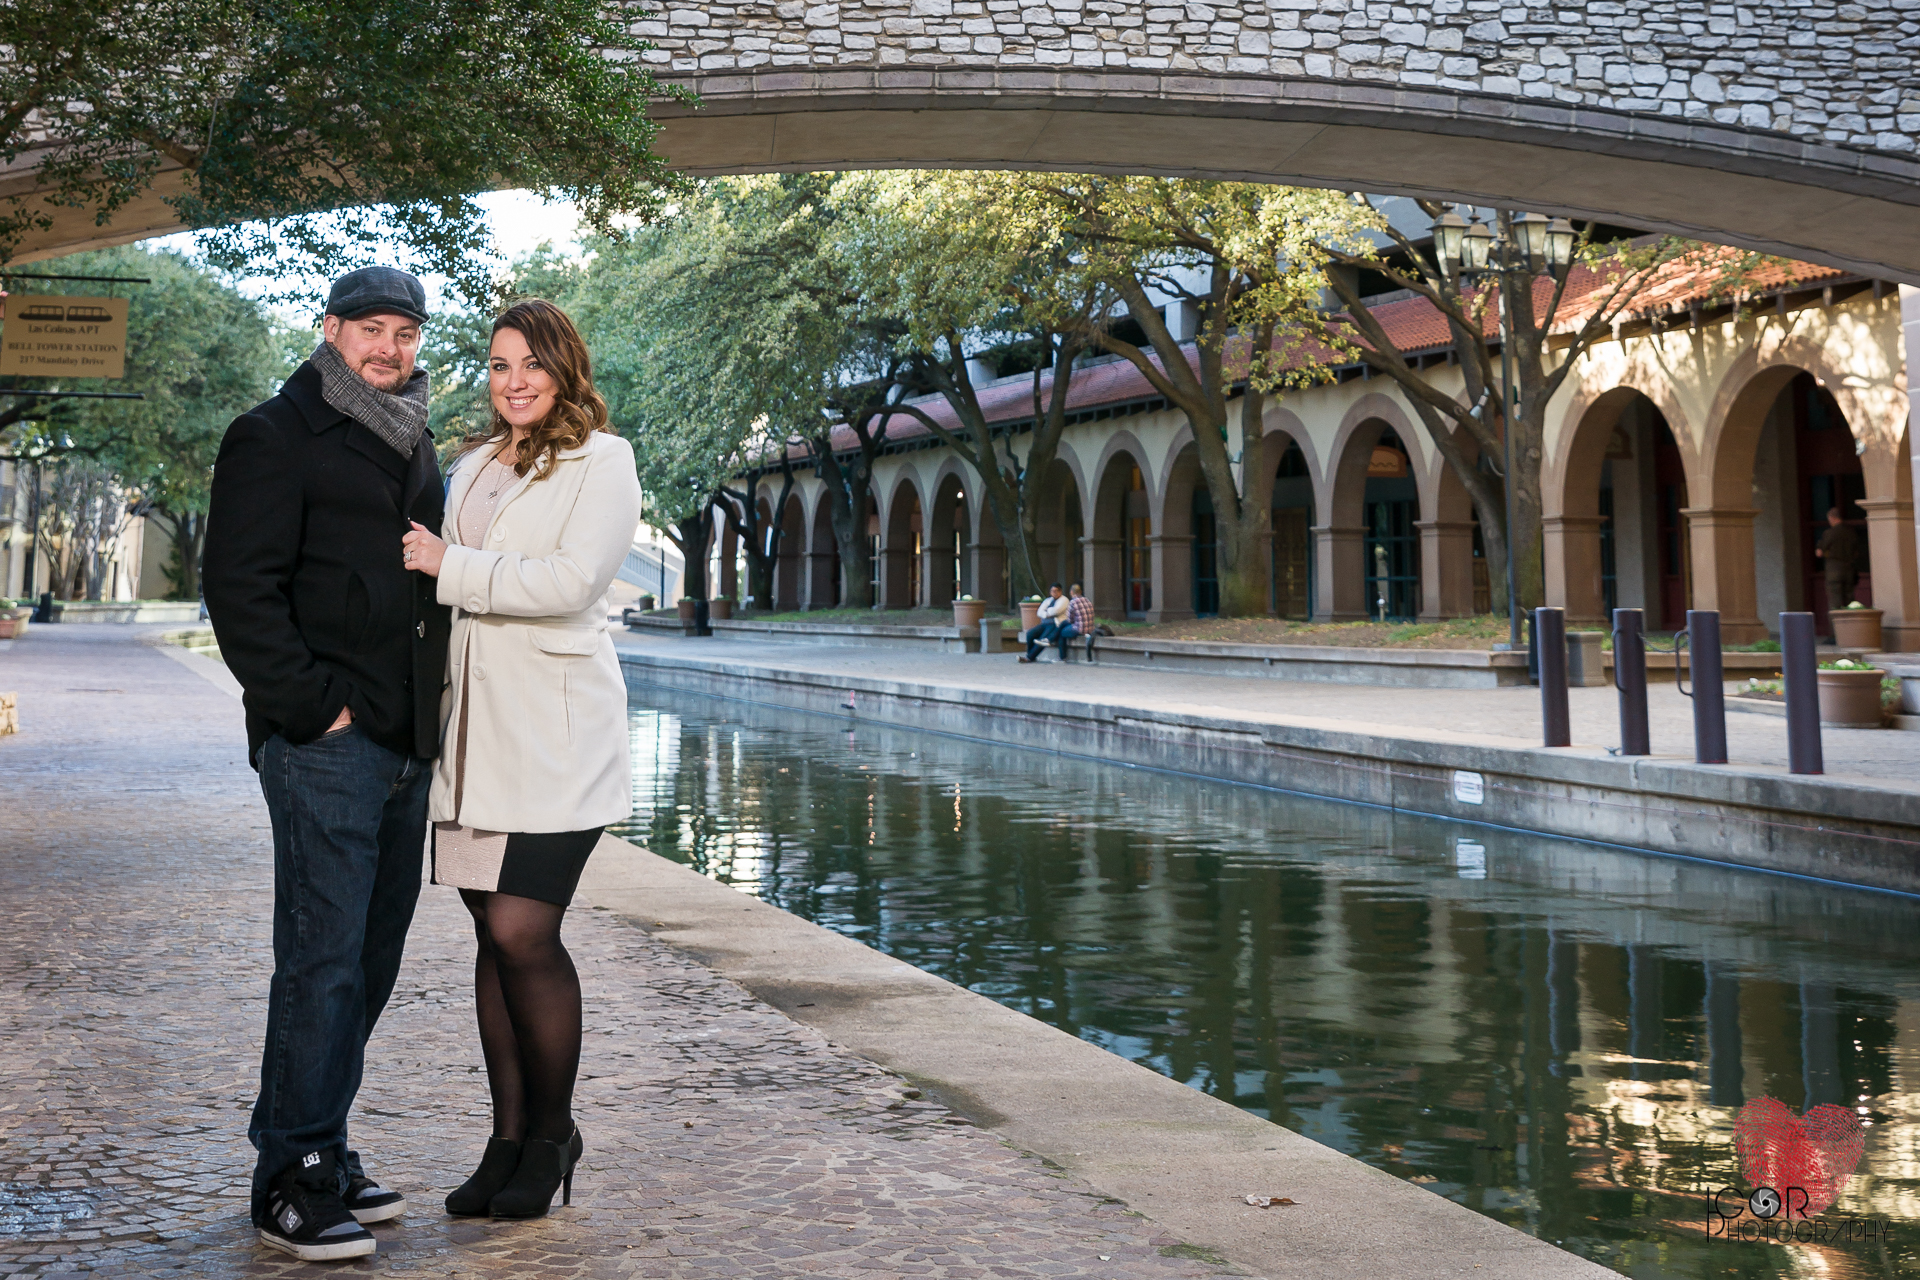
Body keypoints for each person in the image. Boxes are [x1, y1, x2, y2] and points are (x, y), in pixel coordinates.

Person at [203, 267, 450, 1262]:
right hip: (327, 748)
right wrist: (316, 710)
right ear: (331, 330)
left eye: (405, 333)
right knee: (321, 959)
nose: (390, 349)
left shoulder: (415, 435)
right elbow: (239, 588)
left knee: (369, 960)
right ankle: (290, 1178)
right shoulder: (272, 434)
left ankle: (326, 1143)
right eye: (372, 330)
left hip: (403, 744)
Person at [398, 299, 643, 1222]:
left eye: (532, 364)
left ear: (563, 366)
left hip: (554, 742)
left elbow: (571, 583)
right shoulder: (469, 466)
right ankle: (505, 1137)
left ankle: (553, 1135)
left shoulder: (602, 462)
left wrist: (444, 563)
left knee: (521, 934)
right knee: (485, 942)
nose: (515, 381)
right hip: (469, 746)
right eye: (500, 366)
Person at [1815, 506, 1862, 633]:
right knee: (1849, 600)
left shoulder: (1829, 533)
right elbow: (1857, 552)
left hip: (1834, 571)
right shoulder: (1851, 533)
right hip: (1850, 569)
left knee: (1835, 603)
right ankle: (1852, 632)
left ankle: (1835, 634)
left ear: (1832, 518)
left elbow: (1819, 552)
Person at [1019, 584, 1069, 663]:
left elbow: (1056, 611)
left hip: (1055, 624)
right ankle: (1029, 655)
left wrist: (1046, 611)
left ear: (1060, 591)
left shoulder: (1064, 600)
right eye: (1052, 591)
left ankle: (1029, 658)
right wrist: (1047, 614)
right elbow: (1039, 612)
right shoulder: (1048, 600)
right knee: (1030, 633)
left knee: (1043, 639)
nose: (1054, 593)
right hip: (1044, 623)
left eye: (1056, 591)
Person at [1057, 583, 1096, 656]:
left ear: (1071, 592)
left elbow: (1070, 620)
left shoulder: (1072, 602)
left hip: (1079, 630)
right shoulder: (1087, 600)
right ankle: (1050, 638)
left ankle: (1062, 657)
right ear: (1080, 592)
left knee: (1062, 632)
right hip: (1090, 629)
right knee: (1063, 624)